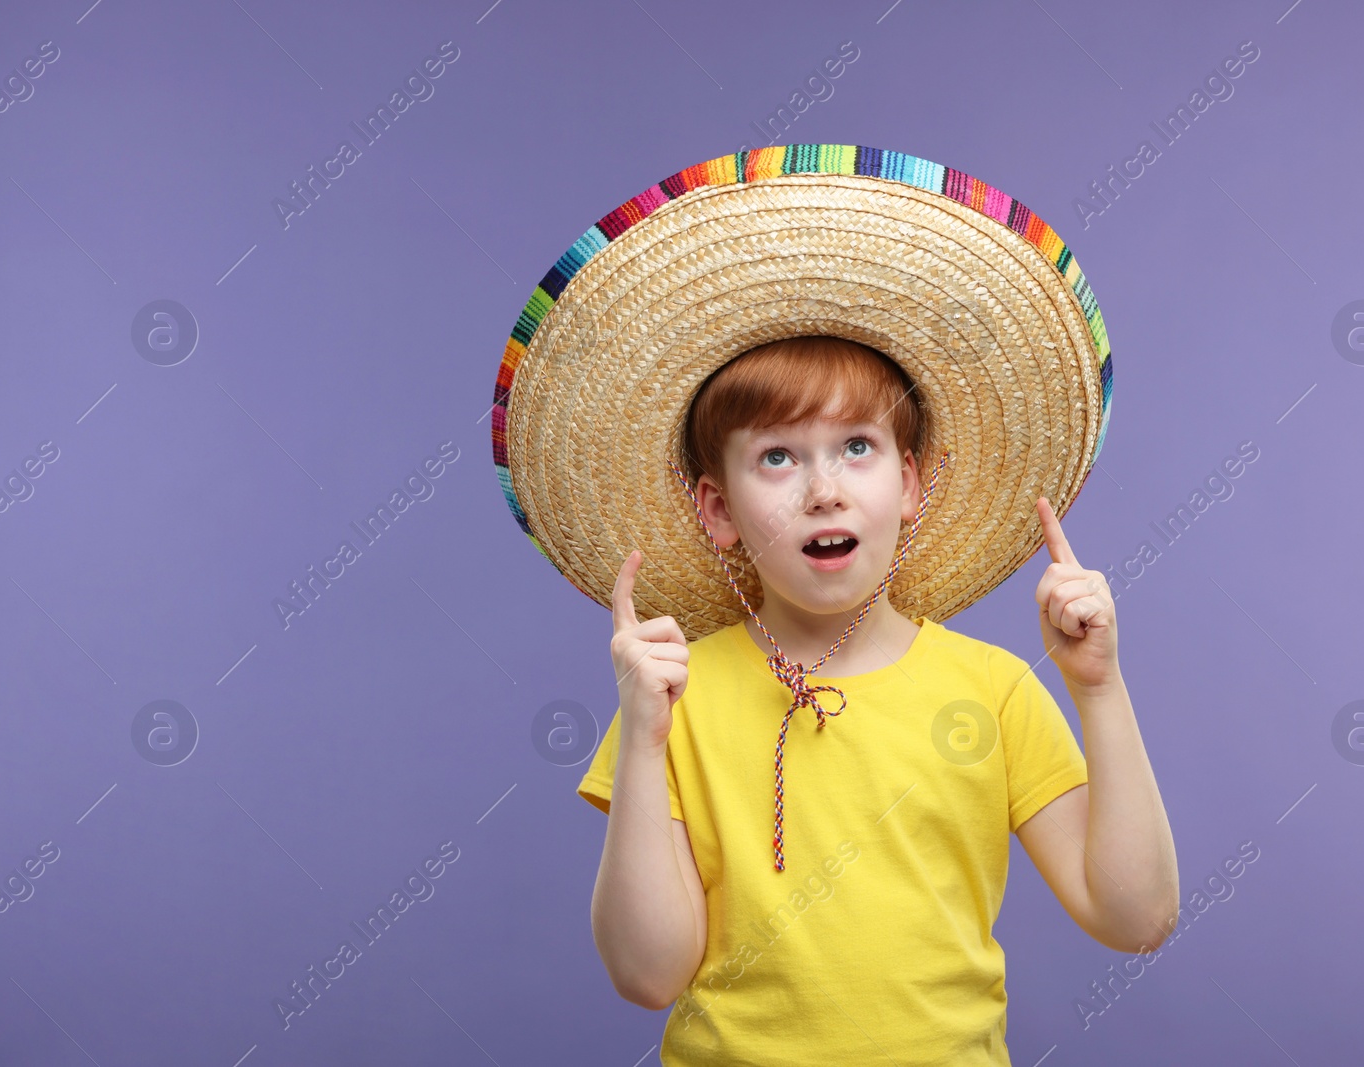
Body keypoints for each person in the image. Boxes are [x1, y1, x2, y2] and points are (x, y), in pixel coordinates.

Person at [491, 144, 1176, 1065]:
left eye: (859, 446)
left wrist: (1098, 687)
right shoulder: (676, 697)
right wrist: (645, 739)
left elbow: (1136, 918)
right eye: (777, 456)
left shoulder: (997, 690)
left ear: (913, 485)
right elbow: (648, 973)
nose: (825, 490)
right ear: (718, 509)